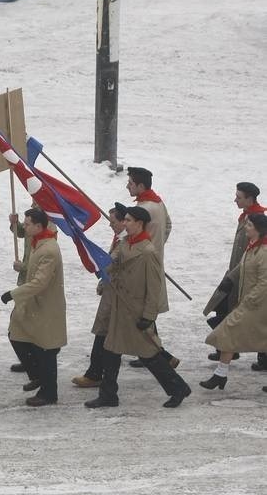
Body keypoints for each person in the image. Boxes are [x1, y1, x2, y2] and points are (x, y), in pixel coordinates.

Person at [85, 207, 191, 409]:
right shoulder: (125, 243)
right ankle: (108, 395)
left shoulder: (149, 252)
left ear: (140, 223)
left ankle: (178, 388)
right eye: (124, 220)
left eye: (128, 220)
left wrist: (149, 315)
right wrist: (94, 259)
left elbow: (154, 287)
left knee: (149, 354)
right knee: (110, 351)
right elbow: (111, 262)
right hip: (119, 307)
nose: (124, 223)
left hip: (135, 311)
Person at [1, 208, 67, 407]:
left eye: (28, 223)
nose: (25, 226)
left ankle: (49, 393)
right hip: (34, 304)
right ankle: (38, 376)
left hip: (45, 306)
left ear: (39, 226)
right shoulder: (39, 243)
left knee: (45, 350)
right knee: (18, 336)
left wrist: (13, 294)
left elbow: (40, 282)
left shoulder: (49, 249)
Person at [201, 214, 267, 392]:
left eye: (249, 225)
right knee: (230, 336)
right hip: (249, 303)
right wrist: (230, 280)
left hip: (257, 306)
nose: (246, 227)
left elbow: (264, 283)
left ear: (259, 229)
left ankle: (220, 375)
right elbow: (242, 268)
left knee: (228, 332)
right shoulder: (252, 247)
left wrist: (249, 301)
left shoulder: (264, 252)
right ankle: (220, 376)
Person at [125, 167, 178, 368]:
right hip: (152, 260)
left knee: (143, 311)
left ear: (141, 185)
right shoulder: (158, 203)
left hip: (141, 264)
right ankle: (148, 353)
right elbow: (168, 226)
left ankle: (160, 356)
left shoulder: (144, 209)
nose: (127, 186)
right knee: (145, 312)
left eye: (130, 183)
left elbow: (130, 235)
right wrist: (157, 247)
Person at [71, 202, 127, 388]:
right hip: (112, 293)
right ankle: (95, 373)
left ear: (124, 222)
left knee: (111, 335)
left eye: (113, 221)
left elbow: (112, 263)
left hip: (119, 296)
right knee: (106, 333)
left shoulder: (125, 241)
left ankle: (96, 374)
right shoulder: (119, 238)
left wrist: (94, 261)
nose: (110, 225)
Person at [6, 203, 58, 373]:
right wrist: (16, 224)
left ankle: (34, 364)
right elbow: (22, 233)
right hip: (26, 282)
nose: (33, 203)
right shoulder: (34, 227)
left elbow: (41, 268)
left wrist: (23, 267)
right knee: (21, 324)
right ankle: (29, 361)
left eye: (37, 202)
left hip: (33, 285)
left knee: (25, 323)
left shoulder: (48, 230)